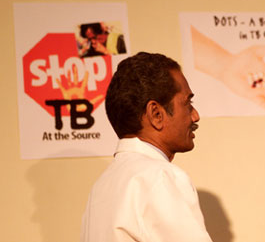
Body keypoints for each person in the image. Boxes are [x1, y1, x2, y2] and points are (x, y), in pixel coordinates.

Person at [80, 52, 213, 242]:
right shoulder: (159, 177)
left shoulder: (101, 187)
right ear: (156, 114)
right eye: (187, 103)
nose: (195, 115)